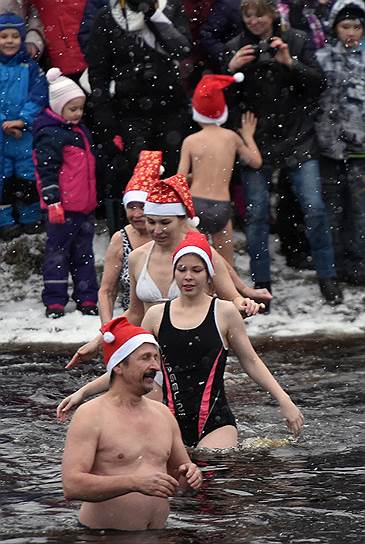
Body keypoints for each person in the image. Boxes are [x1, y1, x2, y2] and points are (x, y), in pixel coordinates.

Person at [58, 232, 304, 448]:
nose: (188, 277)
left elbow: (250, 361)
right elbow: (130, 368)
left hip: (216, 422)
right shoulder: (156, 315)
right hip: (166, 419)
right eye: (182, 269)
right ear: (174, 272)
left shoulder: (225, 312)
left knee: (213, 465)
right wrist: (83, 393)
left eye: (196, 270)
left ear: (209, 275)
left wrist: (285, 400)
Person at [65, 173, 268, 366]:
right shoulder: (137, 257)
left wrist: (245, 302)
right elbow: (135, 313)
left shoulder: (199, 253)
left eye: (164, 222)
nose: (156, 230)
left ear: (182, 220)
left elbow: (231, 298)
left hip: (194, 349)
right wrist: (100, 339)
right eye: (151, 222)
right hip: (151, 350)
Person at [225, 0, 343, 306]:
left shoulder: (297, 40)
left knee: (315, 209)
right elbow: (217, 100)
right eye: (248, 16)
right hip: (256, 139)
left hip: (297, 135)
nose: (254, 22)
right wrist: (230, 71)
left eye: (259, 15)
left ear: (272, 15)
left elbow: (319, 85)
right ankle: (261, 284)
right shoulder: (236, 46)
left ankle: (327, 278)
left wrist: (291, 63)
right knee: (257, 215)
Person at [62, 316, 202, 531]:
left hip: (157, 536)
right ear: (118, 366)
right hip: (103, 537)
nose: (155, 366)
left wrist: (191, 477)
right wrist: (134, 483)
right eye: (145, 358)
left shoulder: (163, 414)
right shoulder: (91, 415)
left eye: (156, 358)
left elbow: (179, 484)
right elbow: (72, 486)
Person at [33, 68, 98, 318]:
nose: (78, 113)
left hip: (85, 206)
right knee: (57, 254)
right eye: (73, 109)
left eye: (81, 108)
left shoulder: (80, 130)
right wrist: (53, 200)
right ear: (58, 107)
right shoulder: (50, 134)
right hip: (61, 207)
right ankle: (55, 301)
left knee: (84, 254)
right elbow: (45, 170)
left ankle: (87, 298)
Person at [178, 72, 262, 266]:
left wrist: (193, 177)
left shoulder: (190, 141)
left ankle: (201, 295)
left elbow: (180, 180)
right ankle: (227, 294)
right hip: (221, 206)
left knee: (194, 261)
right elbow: (256, 162)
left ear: (196, 112)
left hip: (195, 204)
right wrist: (248, 136)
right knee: (226, 265)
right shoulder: (231, 138)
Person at [315, 0, 365, 286]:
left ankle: (357, 264)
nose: (351, 33)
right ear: (335, 28)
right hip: (328, 147)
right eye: (346, 26)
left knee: (359, 211)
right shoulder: (322, 58)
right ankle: (333, 266)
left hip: (360, 149)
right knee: (330, 209)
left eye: (357, 27)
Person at [98, 150, 162, 323]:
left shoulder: (168, 235)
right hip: (134, 325)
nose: (137, 214)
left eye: (142, 206)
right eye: (131, 207)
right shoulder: (121, 239)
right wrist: (107, 329)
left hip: (170, 324)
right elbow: (107, 291)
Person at [0, 12, 48, 241]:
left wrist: (22, 120)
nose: (9, 41)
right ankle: (6, 220)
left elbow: (39, 97)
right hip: (1, 136)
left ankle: (30, 216)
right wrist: (4, 123)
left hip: (25, 135)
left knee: (28, 175)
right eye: (3, 36)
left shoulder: (30, 68)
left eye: (14, 36)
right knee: (2, 177)